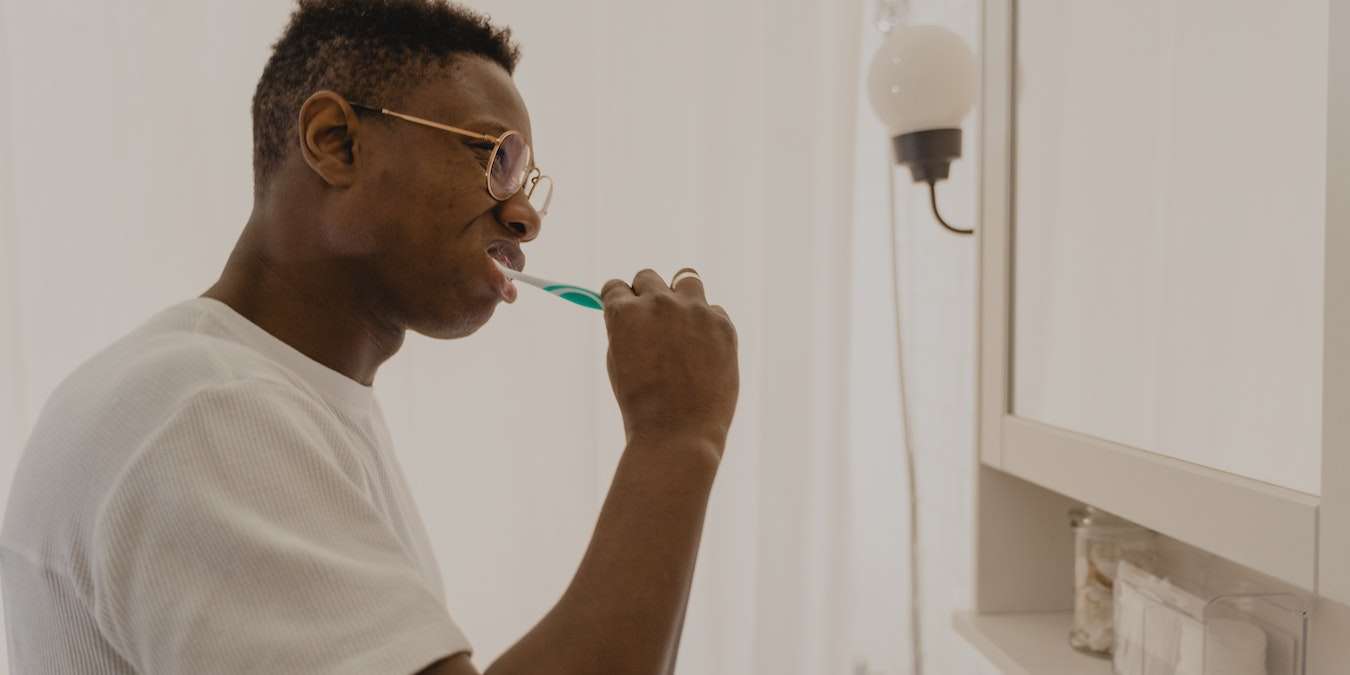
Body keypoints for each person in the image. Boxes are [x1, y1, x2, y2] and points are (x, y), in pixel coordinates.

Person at [0, 1, 739, 673]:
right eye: (494, 156)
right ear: (336, 143)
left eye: (527, 180)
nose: (524, 216)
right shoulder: (199, 411)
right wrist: (675, 435)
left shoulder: (275, 401)